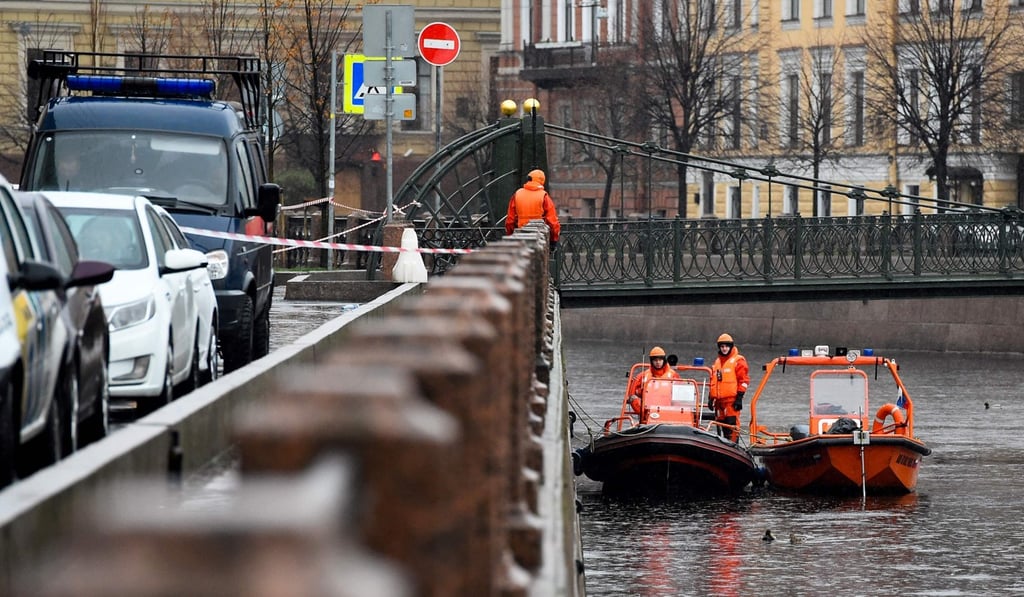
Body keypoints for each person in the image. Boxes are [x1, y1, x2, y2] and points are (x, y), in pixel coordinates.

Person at [505, 169, 560, 250]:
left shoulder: (517, 194)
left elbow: (510, 220)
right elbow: (552, 222)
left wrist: (510, 235)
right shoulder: (544, 196)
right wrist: (553, 240)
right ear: (542, 181)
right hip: (538, 237)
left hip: (520, 235)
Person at [709, 333, 749, 443]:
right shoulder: (717, 362)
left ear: (731, 347)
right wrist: (711, 398)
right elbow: (713, 381)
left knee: (732, 426)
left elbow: (744, 381)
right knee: (723, 427)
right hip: (719, 402)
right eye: (722, 346)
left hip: (731, 401)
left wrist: (739, 398)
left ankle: (734, 446)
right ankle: (724, 445)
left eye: (726, 346)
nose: (724, 348)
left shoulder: (738, 361)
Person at [626, 346, 680, 415]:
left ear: (664, 360)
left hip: (667, 410)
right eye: (655, 360)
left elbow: (679, 394)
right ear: (651, 361)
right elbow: (632, 393)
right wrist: (637, 395)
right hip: (647, 411)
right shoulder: (644, 375)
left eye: (660, 360)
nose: (658, 362)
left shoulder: (673, 375)